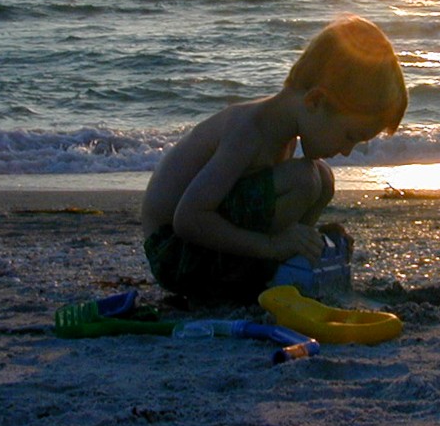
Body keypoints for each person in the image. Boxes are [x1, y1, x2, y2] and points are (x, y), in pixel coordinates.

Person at [140, 15, 407, 304]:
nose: (346, 150)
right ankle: (270, 265)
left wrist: (308, 239)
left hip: (202, 247)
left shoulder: (283, 133)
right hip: (174, 253)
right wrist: (271, 245)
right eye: (349, 135)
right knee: (304, 179)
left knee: (323, 178)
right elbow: (188, 219)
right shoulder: (250, 132)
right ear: (315, 101)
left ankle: (290, 257)